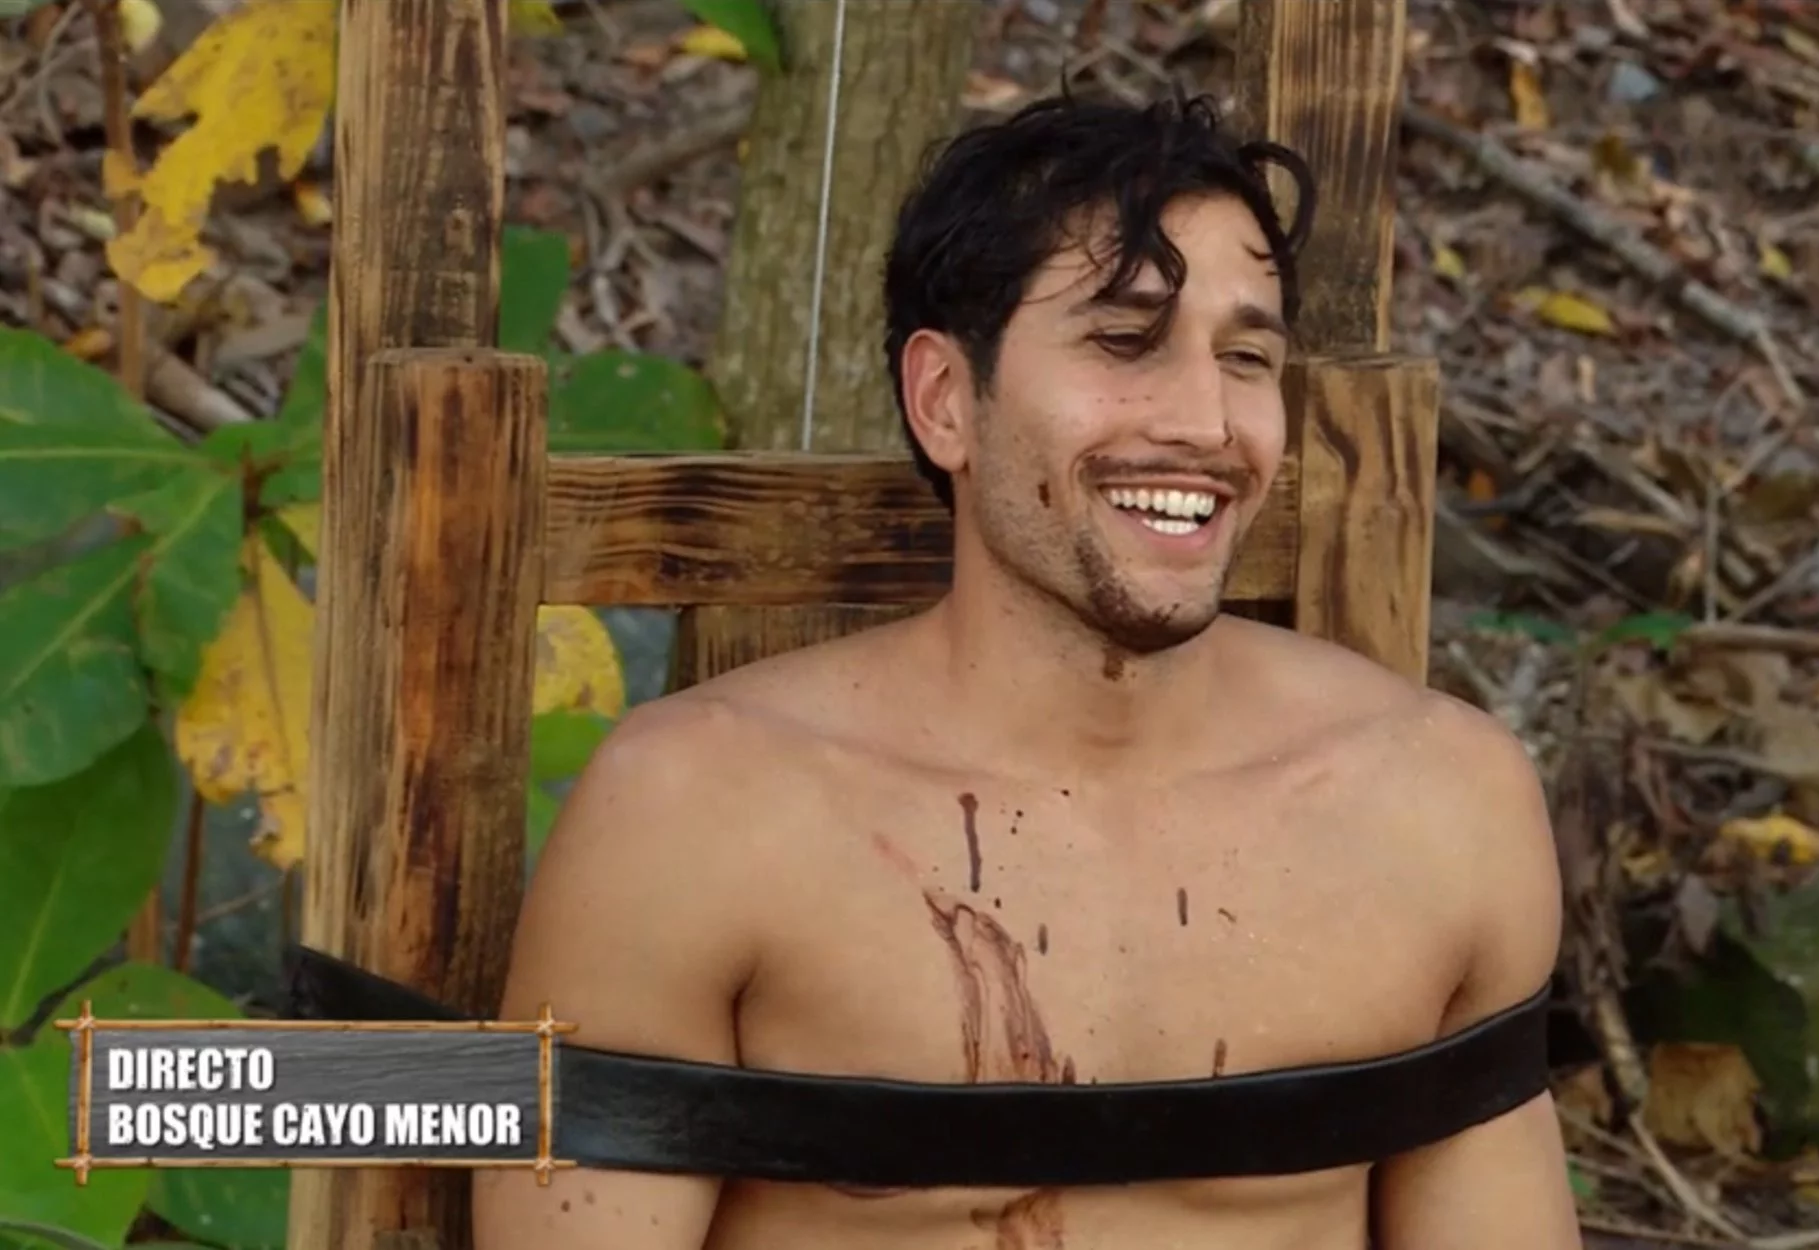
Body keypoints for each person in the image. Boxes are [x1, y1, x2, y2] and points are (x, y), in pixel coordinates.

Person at [474, 92, 1582, 1250]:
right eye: (1123, 340)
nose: (1205, 422)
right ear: (945, 400)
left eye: (1245, 357)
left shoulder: (1438, 805)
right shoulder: (700, 814)